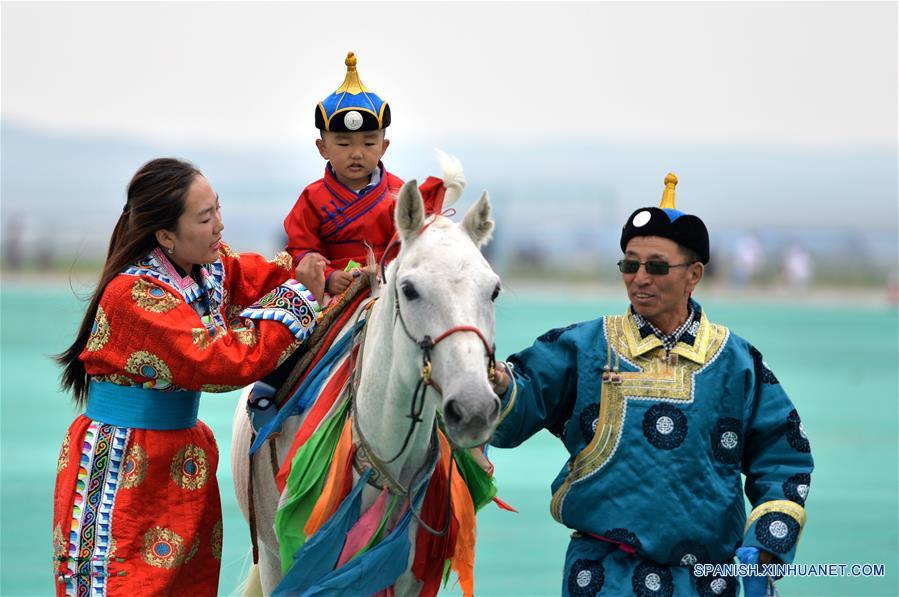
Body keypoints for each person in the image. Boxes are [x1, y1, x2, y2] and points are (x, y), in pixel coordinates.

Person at [489, 173, 814, 596]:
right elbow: (521, 401)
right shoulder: (584, 346)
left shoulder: (737, 361)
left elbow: (784, 460)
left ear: (693, 274)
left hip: (706, 580)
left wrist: (765, 549)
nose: (640, 277)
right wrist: (497, 384)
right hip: (602, 576)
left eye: (656, 266)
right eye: (630, 264)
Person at [52, 158, 324, 595]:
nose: (220, 225)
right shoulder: (135, 294)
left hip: (182, 462)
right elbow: (219, 362)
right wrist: (300, 299)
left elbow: (264, 276)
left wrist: (327, 273)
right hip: (125, 469)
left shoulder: (208, 268)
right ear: (165, 236)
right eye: (204, 217)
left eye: (217, 209)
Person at [284, 51, 459, 299]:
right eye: (344, 145)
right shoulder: (312, 197)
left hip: (388, 290)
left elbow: (409, 246)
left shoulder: (398, 193)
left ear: (383, 147)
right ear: (322, 148)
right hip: (329, 296)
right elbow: (300, 252)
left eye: (368, 144)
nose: (357, 153)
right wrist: (329, 277)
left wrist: (382, 269)